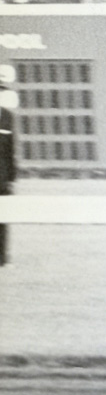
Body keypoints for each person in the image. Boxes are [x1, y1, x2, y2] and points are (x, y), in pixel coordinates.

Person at [0, 64, 17, 266]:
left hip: (1, 179)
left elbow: (10, 151)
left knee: (2, 218)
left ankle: (2, 257)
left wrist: (12, 178)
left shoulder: (7, 117)